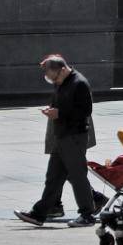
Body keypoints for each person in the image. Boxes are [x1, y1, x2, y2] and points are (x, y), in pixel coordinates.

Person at [16, 55, 97, 228]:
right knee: (53, 177)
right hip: (62, 136)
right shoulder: (62, 82)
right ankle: (39, 214)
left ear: (62, 69)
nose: (52, 79)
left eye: (52, 75)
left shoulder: (79, 83)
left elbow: (85, 111)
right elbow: (62, 104)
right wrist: (53, 110)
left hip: (74, 136)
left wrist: (59, 113)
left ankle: (87, 214)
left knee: (77, 176)